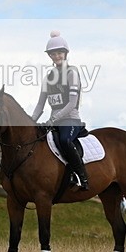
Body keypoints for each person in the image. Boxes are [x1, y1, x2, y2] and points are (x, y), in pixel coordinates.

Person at [31, 30, 89, 190]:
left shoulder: (72, 73)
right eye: (53, 54)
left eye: (59, 53)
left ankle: (81, 177)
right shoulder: (48, 77)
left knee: (64, 141)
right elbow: (40, 105)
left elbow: (71, 103)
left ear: (65, 53)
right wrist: (30, 121)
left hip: (70, 120)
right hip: (53, 121)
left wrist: (53, 120)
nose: (56, 56)